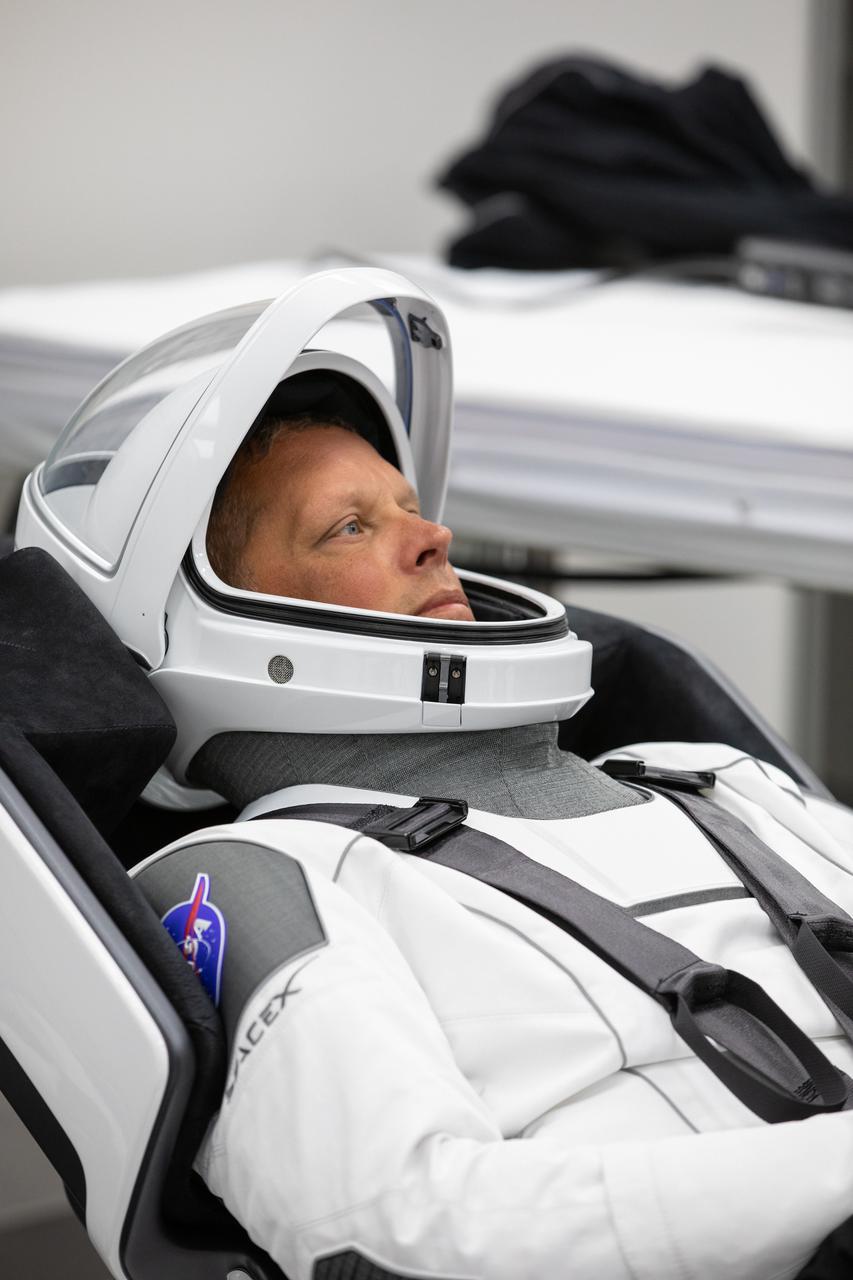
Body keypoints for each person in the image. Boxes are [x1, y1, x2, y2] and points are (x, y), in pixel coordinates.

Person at [19, 270, 853, 1280]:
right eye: (350, 526)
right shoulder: (254, 878)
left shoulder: (707, 777)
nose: (434, 536)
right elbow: (397, 1230)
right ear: (211, 611)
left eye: (410, 506)